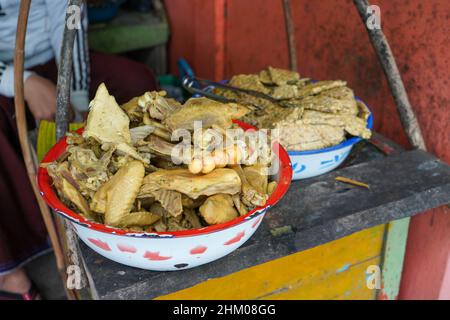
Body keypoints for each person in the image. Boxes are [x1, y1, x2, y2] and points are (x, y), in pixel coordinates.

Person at [0, 0, 158, 299]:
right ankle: (10, 273)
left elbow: (67, 19)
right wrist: (24, 82)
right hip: (5, 73)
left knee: (137, 84)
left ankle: (132, 208)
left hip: (57, 56)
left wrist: (74, 99)